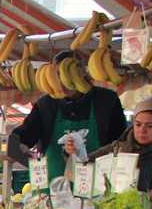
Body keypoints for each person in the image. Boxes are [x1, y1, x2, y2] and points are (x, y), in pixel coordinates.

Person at [15, 51, 127, 186]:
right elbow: (27, 134)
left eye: (66, 76)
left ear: (82, 72)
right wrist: (16, 144)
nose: (61, 83)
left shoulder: (106, 100)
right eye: (57, 76)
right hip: (53, 187)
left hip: (96, 185)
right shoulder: (46, 104)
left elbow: (121, 142)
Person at [75, 97, 152, 191]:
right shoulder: (118, 148)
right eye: (138, 124)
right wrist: (76, 151)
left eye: (150, 126)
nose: (142, 130)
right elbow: (86, 162)